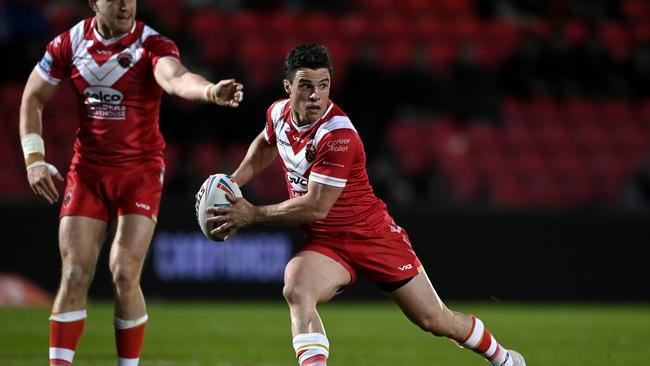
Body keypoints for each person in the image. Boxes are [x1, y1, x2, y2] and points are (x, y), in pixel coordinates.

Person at [207, 44, 525, 366]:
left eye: (323, 85)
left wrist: (253, 213)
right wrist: (233, 182)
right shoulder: (278, 113)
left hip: (373, 235)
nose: (316, 95)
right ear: (288, 86)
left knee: (434, 320)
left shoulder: (338, 135)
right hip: (327, 243)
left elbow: (316, 207)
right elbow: (266, 143)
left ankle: (504, 358)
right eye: (306, 85)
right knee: (297, 286)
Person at [18, 0, 243, 365]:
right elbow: (33, 97)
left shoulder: (151, 44)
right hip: (88, 172)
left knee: (123, 273)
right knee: (74, 273)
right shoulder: (69, 44)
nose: (125, 5)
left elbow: (176, 78)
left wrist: (209, 91)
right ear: (94, 3)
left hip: (139, 173)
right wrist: (34, 159)